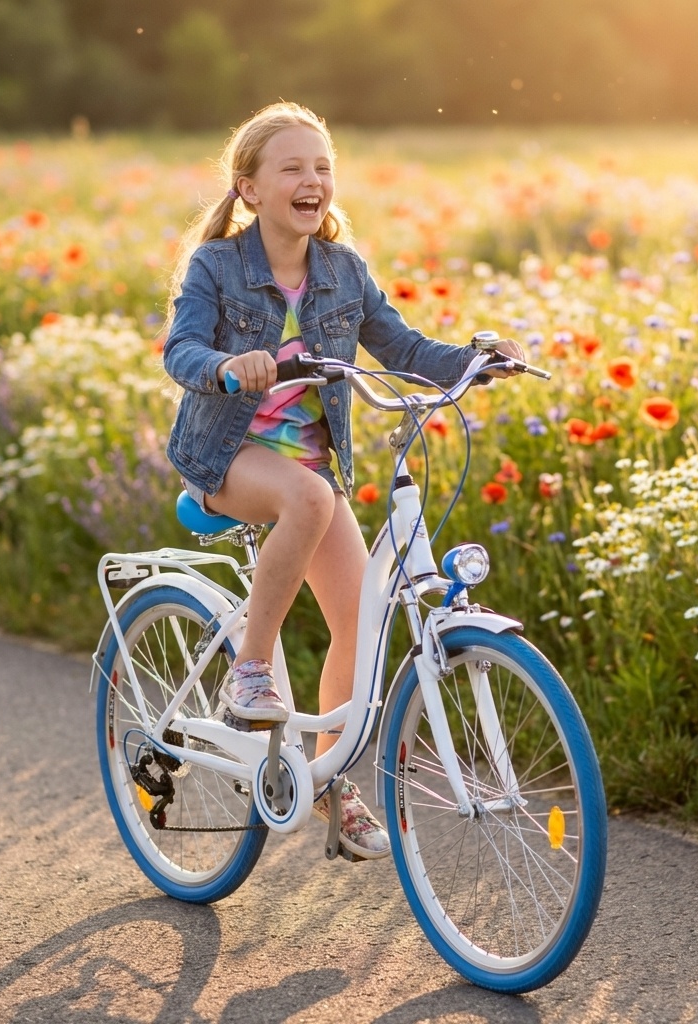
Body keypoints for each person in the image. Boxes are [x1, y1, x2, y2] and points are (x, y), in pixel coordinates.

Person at [162, 101, 523, 861]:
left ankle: (325, 778)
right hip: (226, 455)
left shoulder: (342, 272)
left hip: (307, 467)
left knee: (361, 623)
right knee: (311, 497)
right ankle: (250, 672)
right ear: (250, 188)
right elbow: (181, 350)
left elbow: (400, 344)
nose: (312, 180)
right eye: (292, 167)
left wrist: (474, 361)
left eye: (322, 166)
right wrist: (227, 366)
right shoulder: (217, 267)